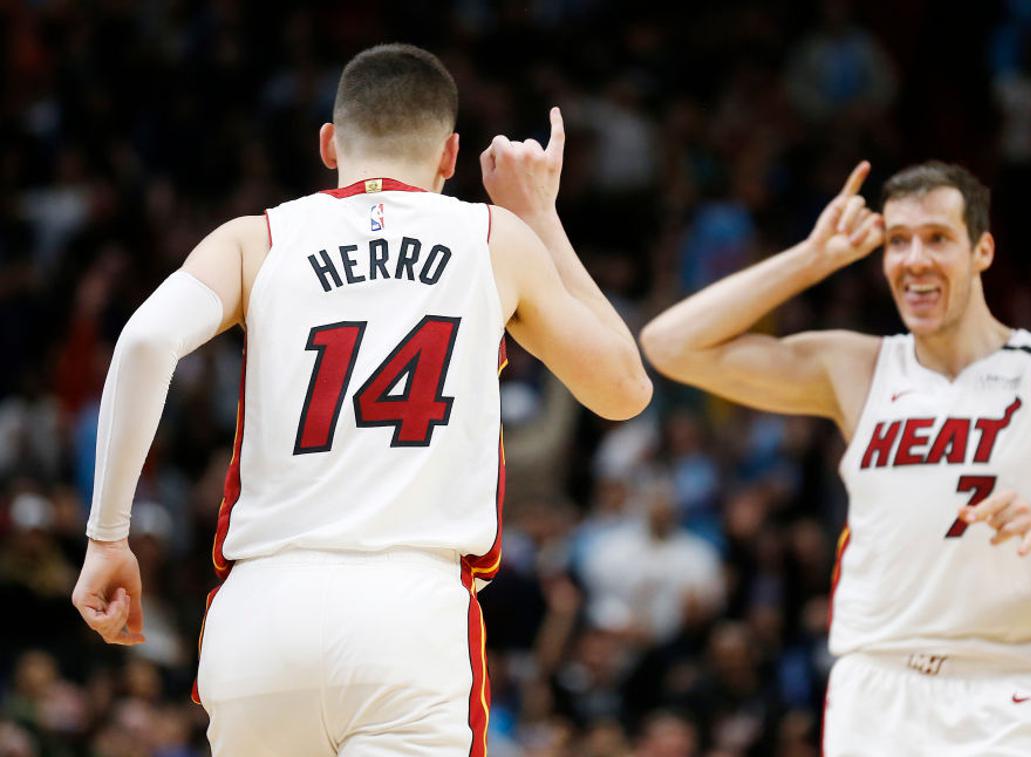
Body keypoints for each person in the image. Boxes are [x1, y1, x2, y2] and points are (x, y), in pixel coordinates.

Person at [71, 43, 651, 755]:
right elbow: (625, 389)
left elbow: (142, 344)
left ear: (328, 143)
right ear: (450, 155)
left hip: (261, 616)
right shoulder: (493, 238)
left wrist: (107, 537)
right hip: (406, 614)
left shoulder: (257, 238)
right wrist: (540, 214)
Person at [640, 160, 1031, 756]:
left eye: (937, 238)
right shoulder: (857, 368)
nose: (914, 259)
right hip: (874, 691)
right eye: (897, 242)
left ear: (983, 251)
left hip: (1003, 697)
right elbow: (669, 345)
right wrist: (812, 257)